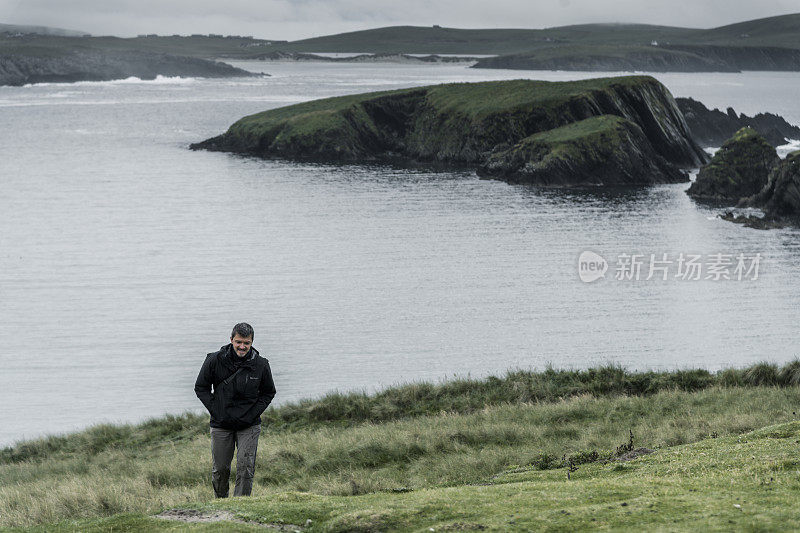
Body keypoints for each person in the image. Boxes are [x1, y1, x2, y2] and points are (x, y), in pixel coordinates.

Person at [194, 322, 276, 498]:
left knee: (245, 467)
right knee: (220, 469)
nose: (242, 346)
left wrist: (252, 414)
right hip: (221, 423)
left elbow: (269, 392)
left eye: (246, 343)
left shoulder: (261, 364)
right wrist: (217, 411)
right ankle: (221, 503)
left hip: (249, 425)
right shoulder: (214, 360)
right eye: (239, 342)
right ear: (231, 339)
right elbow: (201, 387)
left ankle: (240, 505)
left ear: (252, 342)